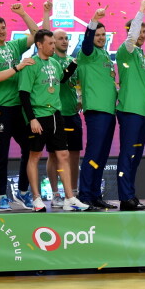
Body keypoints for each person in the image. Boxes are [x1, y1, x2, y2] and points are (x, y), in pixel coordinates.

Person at [0, 1, 50, 212]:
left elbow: (37, 33)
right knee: (1, 154)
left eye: (3, 27)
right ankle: (3, 197)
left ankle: (22, 193)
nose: (2, 31)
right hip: (0, 110)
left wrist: (22, 13)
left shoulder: (13, 45)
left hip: (19, 110)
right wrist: (18, 66)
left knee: (29, 149)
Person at [18, 29, 89, 212]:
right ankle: (36, 198)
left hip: (56, 116)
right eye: (50, 43)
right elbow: (24, 95)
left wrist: (75, 61)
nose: (53, 46)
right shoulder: (30, 64)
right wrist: (31, 119)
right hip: (38, 117)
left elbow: (63, 78)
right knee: (34, 156)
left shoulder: (55, 64)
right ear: (39, 44)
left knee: (63, 155)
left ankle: (69, 198)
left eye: (53, 43)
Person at [76, 8, 119, 210]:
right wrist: (93, 21)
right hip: (96, 111)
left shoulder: (104, 55)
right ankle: (84, 195)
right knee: (93, 154)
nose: (100, 38)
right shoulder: (88, 53)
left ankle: (95, 194)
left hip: (109, 112)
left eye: (103, 35)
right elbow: (86, 42)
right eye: (97, 35)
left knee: (102, 156)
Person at [115, 0, 145, 211]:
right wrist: (141, 11)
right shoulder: (125, 49)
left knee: (135, 156)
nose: (142, 35)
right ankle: (125, 198)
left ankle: (130, 194)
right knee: (127, 154)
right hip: (129, 111)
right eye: (140, 31)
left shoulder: (139, 52)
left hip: (141, 112)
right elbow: (132, 35)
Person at [47, 27, 82, 207]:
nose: (64, 42)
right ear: (52, 41)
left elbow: (78, 83)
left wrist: (81, 98)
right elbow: (61, 79)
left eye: (66, 38)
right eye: (60, 38)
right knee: (54, 156)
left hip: (72, 114)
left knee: (74, 155)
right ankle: (55, 194)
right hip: (55, 114)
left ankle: (73, 193)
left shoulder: (71, 60)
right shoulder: (50, 61)